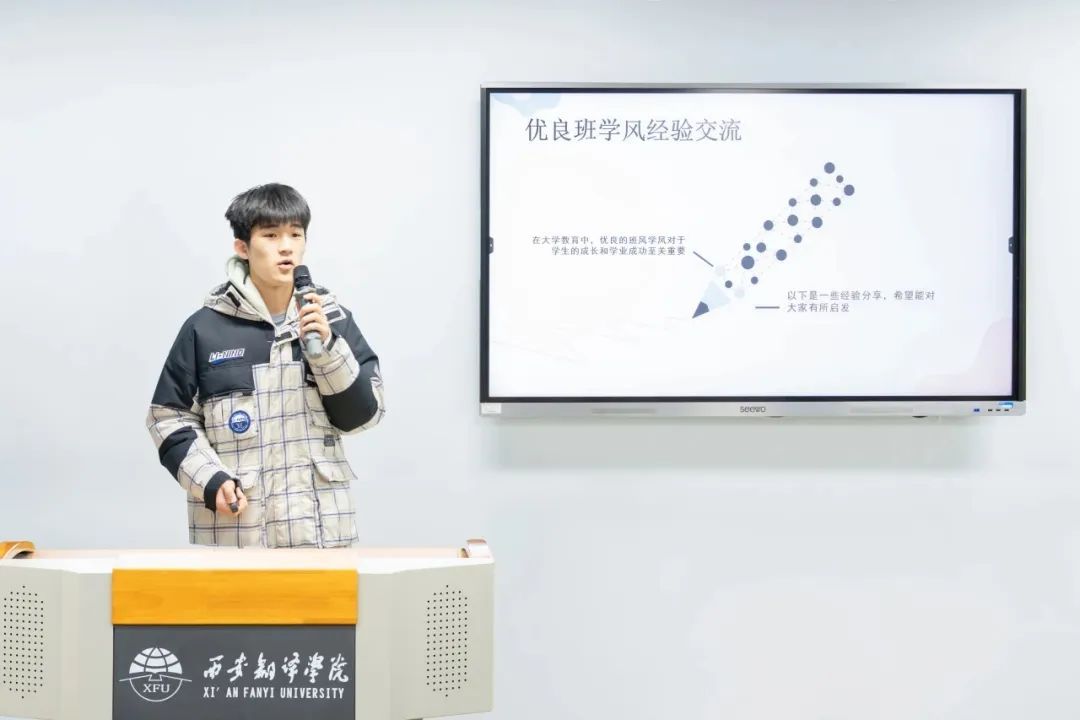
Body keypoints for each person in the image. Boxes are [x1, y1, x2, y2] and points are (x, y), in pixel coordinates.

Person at [146, 183, 384, 548]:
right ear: (242, 247)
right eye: (271, 235)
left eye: (295, 234)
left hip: (321, 539)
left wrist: (327, 352)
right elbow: (167, 418)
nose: (286, 247)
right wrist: (210, 480)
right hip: (237, 535)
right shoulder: (205, 329)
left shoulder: (332, 320)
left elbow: (363, 416)